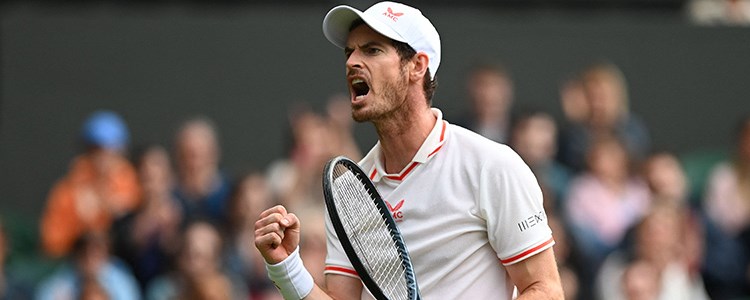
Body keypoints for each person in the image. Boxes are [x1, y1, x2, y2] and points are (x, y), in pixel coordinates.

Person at [254, 2, 563, 299]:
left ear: (417, 66)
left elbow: (545, 290)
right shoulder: (348, 192)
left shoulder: (492, 166)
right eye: (350, 52)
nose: (351, 62)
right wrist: (286, 267)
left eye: (372, 50)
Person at [40, 110, 141, 258]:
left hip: (121, 262)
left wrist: (114, 210)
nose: (103, 158)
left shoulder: (132, 182)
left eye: (111, 150)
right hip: (77, 262)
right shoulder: (69, 190)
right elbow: (51, 243)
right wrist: (81, 223)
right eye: (96, 150)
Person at [35, 231, 141, 300]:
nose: (90, 260)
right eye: (84, 254)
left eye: (96, 254)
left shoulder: (121, 281)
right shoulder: (59, 284)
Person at [172, 117, 233, 227]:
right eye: (187, 156)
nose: (194, 164)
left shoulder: (232, 195)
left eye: (200, 155)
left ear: (214, 154)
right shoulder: (169, 198)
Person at [454, 62, 515, 144]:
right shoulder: (456, 132)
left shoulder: (522, 131)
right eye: (480, 86)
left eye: (492, 85)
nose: (486, 93)